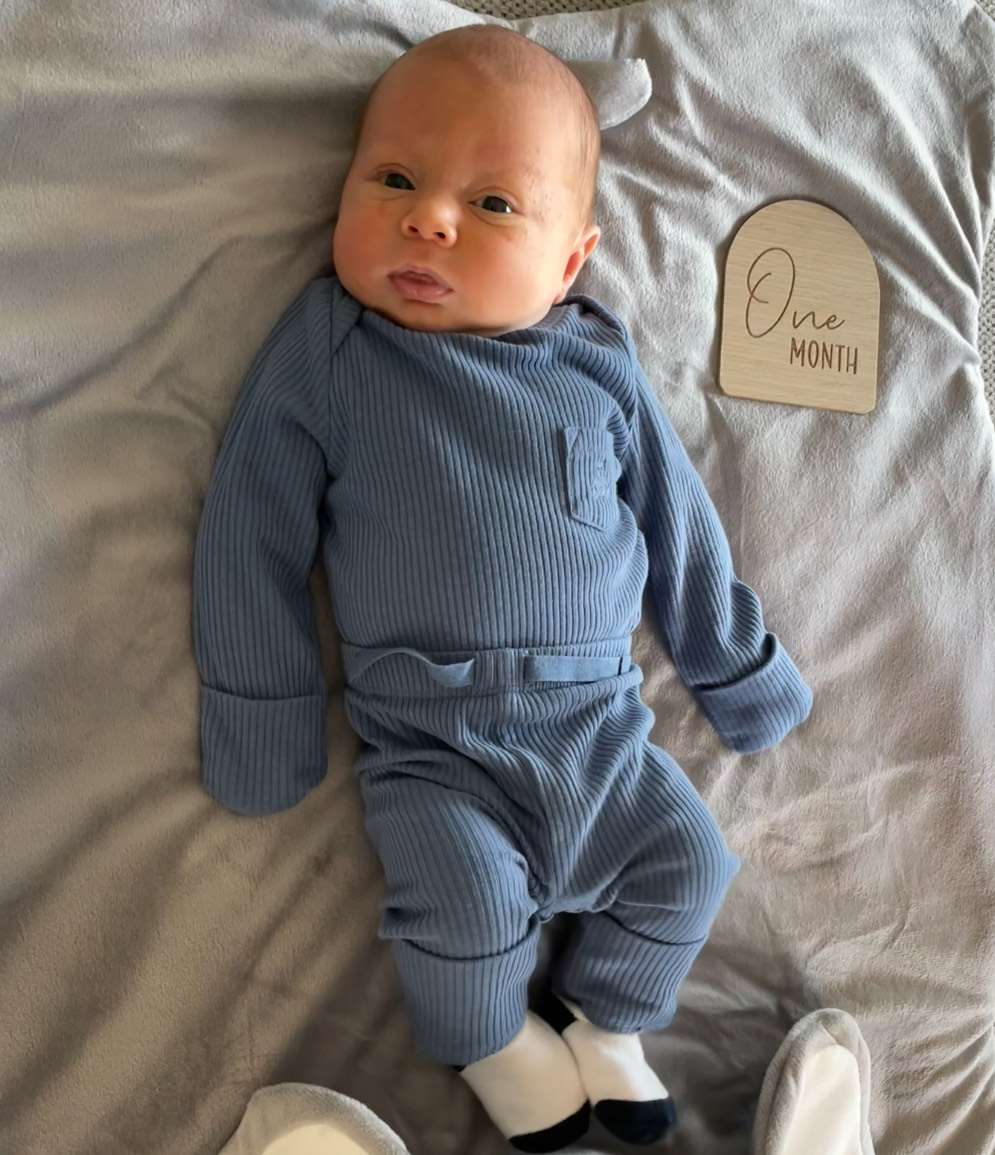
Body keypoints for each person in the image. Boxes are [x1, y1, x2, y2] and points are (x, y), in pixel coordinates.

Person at [193, 24, 813, 1154]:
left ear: (568, 263)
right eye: (393, 180)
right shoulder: (333, 350)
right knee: (459, 919)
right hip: (435, 746)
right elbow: (251, 530)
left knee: (688, 864)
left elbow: (677, 524)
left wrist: (734, 666)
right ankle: (491, 1049)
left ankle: (607, 1019)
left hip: (600, 730)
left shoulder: (594, 361)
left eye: (491, 205)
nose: (427, 217)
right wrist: (263, 718)